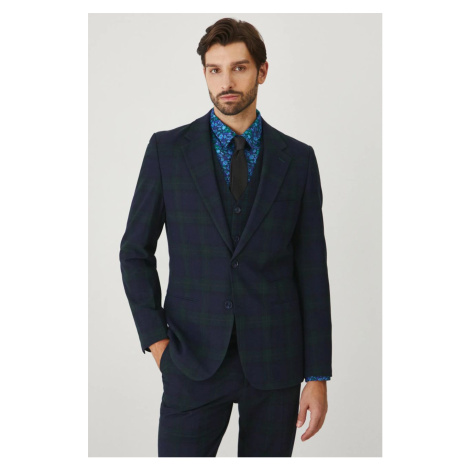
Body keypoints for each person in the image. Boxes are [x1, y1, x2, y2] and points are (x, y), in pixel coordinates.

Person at [119, 17, 332, 457]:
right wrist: (159, 345)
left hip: (275, 363)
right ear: (204, 74)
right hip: (191, 361)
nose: (226, 82)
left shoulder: (297, 160)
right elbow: (135, 252)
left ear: (262, 71)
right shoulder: (167, 151)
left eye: (239, 68)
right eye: (214, 70)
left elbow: (312, 270)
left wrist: (317, 375)